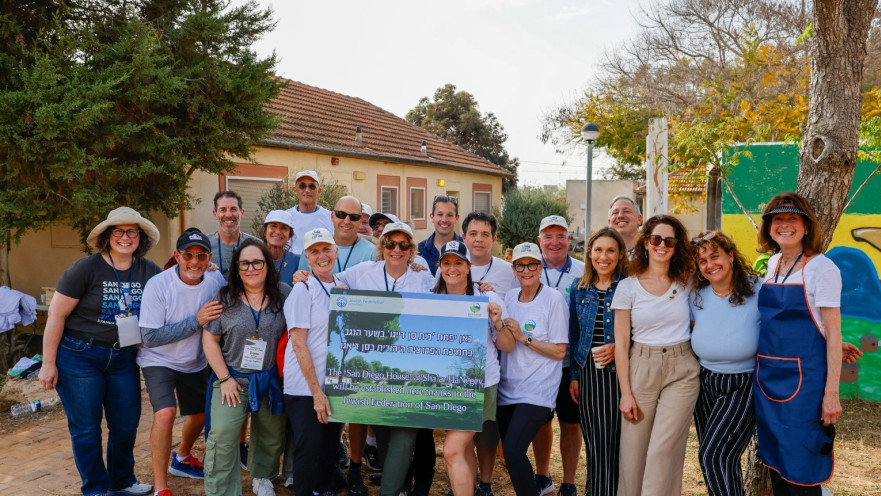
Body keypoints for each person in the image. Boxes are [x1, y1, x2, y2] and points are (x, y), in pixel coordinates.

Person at [39, 207, 162, 496]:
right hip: (80, 356)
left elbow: (175, 287)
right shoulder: (86, 269)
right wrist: (48, 363)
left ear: (140, 237)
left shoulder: (149, 270)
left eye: (132, 231)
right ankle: (95, 488)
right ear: (107, 236)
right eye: (118, 231)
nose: (125, 237)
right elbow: (56, 315)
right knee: (86, 428)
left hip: (123, 358)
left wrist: (204, 271)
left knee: (126, 423)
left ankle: (122, 480)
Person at [334, 222, 435, 496]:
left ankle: (390, 491)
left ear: (412, 250)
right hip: (374, 373)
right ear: (382, 247)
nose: (397, 249)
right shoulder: (364, 272)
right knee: (384, 436)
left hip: (409, 372)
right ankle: (400, 487)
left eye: (404, 245)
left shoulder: (422, 277)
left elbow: (445, 301)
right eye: (391, 243)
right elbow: (334, 280)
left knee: (404, 439)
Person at [754, 193, 843, 495]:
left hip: (806, 388)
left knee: (802, 470)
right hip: (768, 382)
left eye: (792, 218)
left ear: (806, 225)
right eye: (777, 219)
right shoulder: (773, 264)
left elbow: (833, 336)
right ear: (768, 228)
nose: (784, 225)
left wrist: (831, 394)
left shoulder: (823, 269)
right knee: (776, 463)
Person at [612, 215, 698, 496]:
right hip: (641, 366)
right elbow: (621, 344)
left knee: (664, 450)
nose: (662, 245)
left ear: (677, 246)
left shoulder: (688, 281)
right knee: (633, 452)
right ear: (646, 243)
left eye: (669, 241)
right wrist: (626, 393)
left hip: (682, 369)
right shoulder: (628, 287)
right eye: (656, 239)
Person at [138, 228, 226, 496]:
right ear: (177, 256)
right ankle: (161, 488)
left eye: (201, 256)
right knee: (165, 413)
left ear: (209, 257)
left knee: (199, 416)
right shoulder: (158, 285)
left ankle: (183, 457)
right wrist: (196, 321)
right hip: (158, 359)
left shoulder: (215, 281)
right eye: (188, 255)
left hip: (195, 360)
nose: (195, 262)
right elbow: (150, 337)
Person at [202, 239, 290, 496]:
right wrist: (225, 377)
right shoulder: (225, 298)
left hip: (270, 381)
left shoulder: (284, 293)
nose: (251, 268)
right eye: (244, 263)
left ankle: (262, 477)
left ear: (267, 265)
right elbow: (210, 338)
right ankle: (222, 490)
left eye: (257, 262)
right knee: (222, 435)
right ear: (237, 268)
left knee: (271, 436)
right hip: (233, 381)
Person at [437, 241, 514, 496]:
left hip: (479, 384)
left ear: (469, 267)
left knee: (451, 450)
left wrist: (498, 323)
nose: (452, 268)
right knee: (464, 448)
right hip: (447, 385)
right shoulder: (432, 299)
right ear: (440, 267)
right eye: (446, 263)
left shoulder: (487, 298)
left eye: (458, 262)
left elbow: (508, 346)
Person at [688, 231, 762, 496]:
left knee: (713, 456)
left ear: (730, 256)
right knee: (718, 460)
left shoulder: (758, 289)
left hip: (743, 383)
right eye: (702, 260)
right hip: (705, 382)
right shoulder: (696, 295)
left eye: (715, 256)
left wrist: (830, 343)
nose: (710, 264)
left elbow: (790, 324)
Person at [497, 242, 569, 496]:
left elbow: (560, 351)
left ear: (540, 267)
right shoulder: (508, 297)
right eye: (520, 265)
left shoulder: (554, 299)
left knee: (515, 451)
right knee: (511, 454)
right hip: (508, 390)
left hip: (538, 391)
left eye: (532, 265)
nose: (526, 270)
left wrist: (524, 337)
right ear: (514, 269)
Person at [459, 211, 519, 495]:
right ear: (464, 237)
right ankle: (464, 482)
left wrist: (494, 302)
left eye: (485, 234)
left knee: (486, 433)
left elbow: (521, 304)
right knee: (461, 434)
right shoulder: (450, 267)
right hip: (457, 368)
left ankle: (484, 483)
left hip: (497, 363)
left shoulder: (508, 272)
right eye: (473, 233)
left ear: (494, 239)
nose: (478, 239)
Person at [283, 228, 344, 496]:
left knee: (328, 449)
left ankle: (322, 490)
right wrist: (317, 392)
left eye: (326, 249)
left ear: (336, 252)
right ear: (307, 257)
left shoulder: (344, 287)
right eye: (315, 251)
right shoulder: (302, 289)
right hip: (306, 388)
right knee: (309, 450)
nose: (322, 256)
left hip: (334, 384)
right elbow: (298, 344)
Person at [567, 227, 627, 496]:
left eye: (610, 250)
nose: (604, 256)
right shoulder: (578, 289)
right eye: (598, 250)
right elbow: (574, 333)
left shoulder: (629, 287)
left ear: (620, 254)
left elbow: (643, 329)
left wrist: (620, 347)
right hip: (590, 373)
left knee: (617, 442)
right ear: (589, 253)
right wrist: (574, 376)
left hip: (622, 373)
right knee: (595, 441)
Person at [531, 215, 585, 496]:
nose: (555, 242)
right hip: (537, 362)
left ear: (568, 239)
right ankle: (542, 475)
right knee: (541, 421)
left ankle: (569, 481)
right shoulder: (529, 267)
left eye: (560, 235)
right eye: (548, 236)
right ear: (539, 240)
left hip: (569, 364)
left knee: (570, 423)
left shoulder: (583, 270)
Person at [298, 195, 374, 273]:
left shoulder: (372, 252)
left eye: (354, 217)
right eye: (341, 214)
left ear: (360, 220)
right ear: (332, 216)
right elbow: (302, 280)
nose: (346, 221)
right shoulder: (312, 249)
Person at [209, 190, 259, 278]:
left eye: (233, 209)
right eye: (222, 210)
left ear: (242, 213)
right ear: (215, 214)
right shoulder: (204, 246)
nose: (228, 215)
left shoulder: (256, 245)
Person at [287, 170, 335, 255]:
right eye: (302, 186)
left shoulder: (331, 217)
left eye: (312, 186)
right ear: (295, 190)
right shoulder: (286, 217)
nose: (307, 190)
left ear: (319, 191)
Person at [417, 194, 463, 276]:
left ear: (456, 218)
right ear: (432, 217)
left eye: (449, 215)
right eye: (440, 214)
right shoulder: (419, 251)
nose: (444, 220)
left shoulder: (466, 248)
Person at [260, 210, 300, 286]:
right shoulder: (254, 259)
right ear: (264, 231)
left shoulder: (297, 262)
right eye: (273, 226)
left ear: (290, 235)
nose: (278, 232)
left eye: (284, 228)